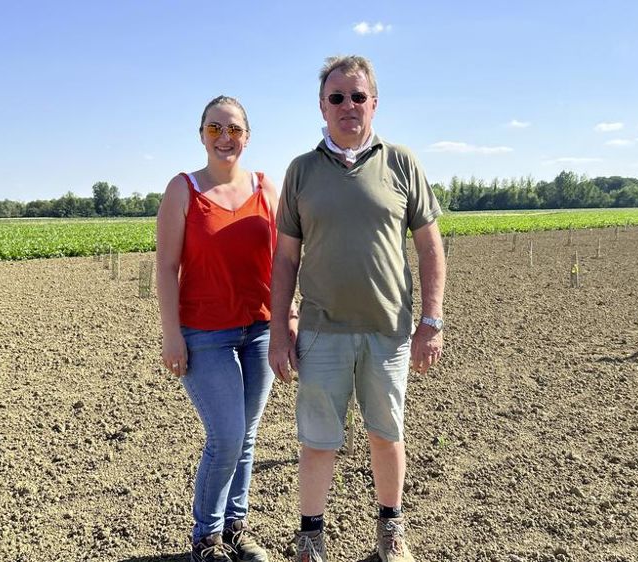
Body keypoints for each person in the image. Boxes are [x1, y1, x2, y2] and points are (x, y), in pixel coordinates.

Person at [268, 56, 446, 562]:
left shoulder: (401, 163)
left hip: (387, 331)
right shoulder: (301, 171)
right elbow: (286, 259)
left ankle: (391, 532)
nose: (348, 105)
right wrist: (280, 331)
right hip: (320, 332)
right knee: (318, 441)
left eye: (358, 96)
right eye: (337, 97)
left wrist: (431, 321)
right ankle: (310, 540)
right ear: (322, 106)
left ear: (374, 103)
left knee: (386, 435)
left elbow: (430, 247)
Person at [157, 95, 295, 562]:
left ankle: (236, 529)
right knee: (227, 436)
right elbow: (166, 267)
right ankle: (206, 538)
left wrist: (289, 318)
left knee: (247, 436)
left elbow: (283, 262)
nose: (224, 137)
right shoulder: (183, 190)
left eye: (233, 129)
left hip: (260, 330)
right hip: (204, 334)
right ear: (201, 135)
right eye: (214, 128)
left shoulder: (266, 188)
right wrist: (172, 334)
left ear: (247, 137)